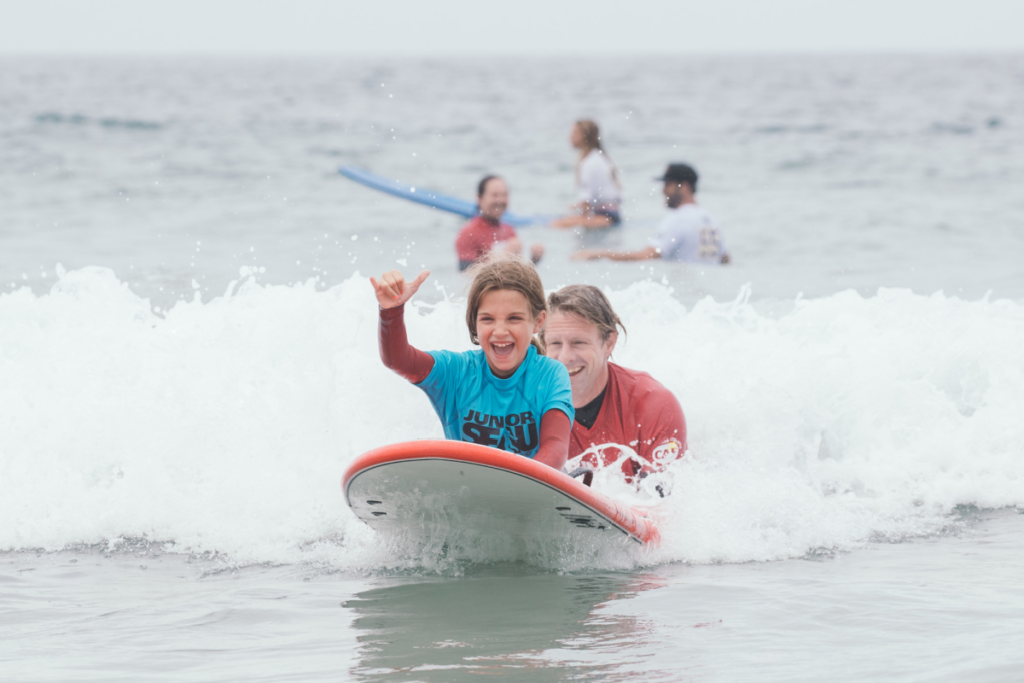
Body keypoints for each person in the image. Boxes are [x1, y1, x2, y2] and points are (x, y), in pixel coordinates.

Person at [371, 256, 573, 470]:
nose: (500, 331)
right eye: (487, 319)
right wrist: (391, 312)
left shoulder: (550, 375)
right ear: (474, 323)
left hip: (535, 490)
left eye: (514, 318)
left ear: (538, 322)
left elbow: (556, 447)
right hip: (467, 491)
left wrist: (521, 486)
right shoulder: (455, 372)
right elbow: (400, 361)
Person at [541, 284, 686, 481]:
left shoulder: (655, 405)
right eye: (555, 344)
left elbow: (660, 503)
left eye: (579, 343)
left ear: (609, 343)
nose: (565, 357)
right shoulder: (527, 409)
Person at [572, 163, 730, 264]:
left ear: (684, 186)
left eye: (668, 184)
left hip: (686, 295)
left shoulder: (678, 219)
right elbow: (725, 259)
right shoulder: (710, 219)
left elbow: (646, 255)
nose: (663, 190)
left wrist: (599, 253)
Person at [455, 175, 544, 271]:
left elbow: (517, 277)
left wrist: (533, 260)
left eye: (504, 195)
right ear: (479, 198)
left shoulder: (509, 231)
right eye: (495, 195)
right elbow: (465, 275)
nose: (500, 200)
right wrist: (504, 256)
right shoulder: (468, 233)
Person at [551, 120, 623, 229]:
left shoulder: (588, 163)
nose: (570, 137)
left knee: (555, 224)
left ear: (583, 136)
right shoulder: (600, 157)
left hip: (605, 217)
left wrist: (581, 220)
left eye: (574, 133)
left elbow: (586, 201)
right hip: (613, 214)